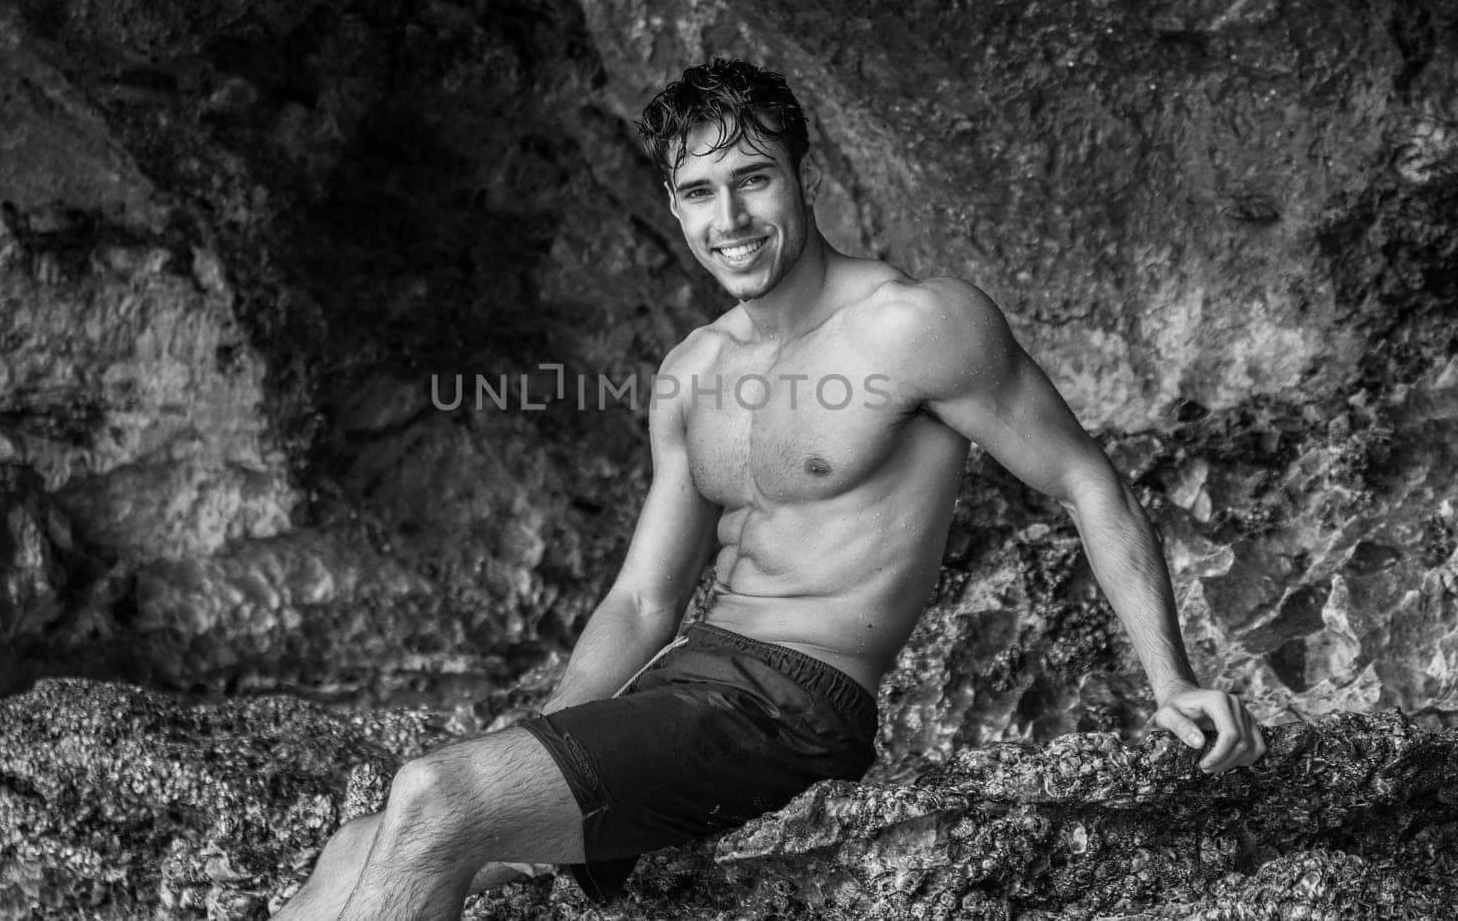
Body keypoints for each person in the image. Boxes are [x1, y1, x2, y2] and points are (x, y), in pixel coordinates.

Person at [274, 58, 1267, 920]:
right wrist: (545, 739)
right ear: (672, 205)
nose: (730, 218)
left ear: (803, 177)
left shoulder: (913, 324)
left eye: (753, 179)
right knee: (362, 841)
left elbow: (1087, 482)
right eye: (700, 191)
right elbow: (643, 599)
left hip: (795, 703)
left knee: (433, 795)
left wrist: (1169, 674)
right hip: (682, 691)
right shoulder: (691, 373)